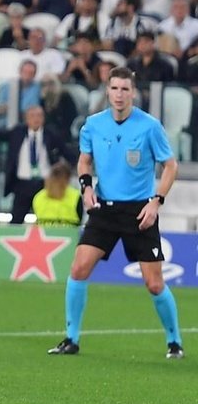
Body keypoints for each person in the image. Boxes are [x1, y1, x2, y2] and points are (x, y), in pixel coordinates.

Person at [49, 67, 183, 358]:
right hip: (105, 210)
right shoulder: (93, 125)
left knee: (154, 283)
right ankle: (71, 338)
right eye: (114, 89)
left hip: (140, 211)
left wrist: (156, 201)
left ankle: (175, 342)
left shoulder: (149, 126)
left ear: (133, 93)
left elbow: (170, 166)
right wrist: (86, 187)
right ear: (107, 91)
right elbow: (84, 161)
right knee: (78, 269)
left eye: (125, 89)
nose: (119, 95)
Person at [32, 160, 82, 227]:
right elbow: (80, 220)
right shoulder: (75, 196)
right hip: (69, 233)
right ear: (68, 179)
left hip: (45, 233)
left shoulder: (38, 197)